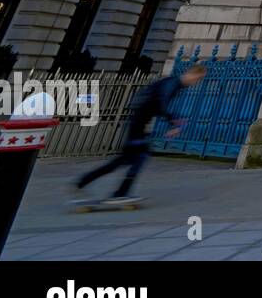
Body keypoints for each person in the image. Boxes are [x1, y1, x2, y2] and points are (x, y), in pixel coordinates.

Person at [75, 64, 206, 203]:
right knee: (130, 158)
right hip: (137, 123)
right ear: (191, 74)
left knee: (131, 159)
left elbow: (156, 103)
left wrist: (172, 120)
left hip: (140, 122)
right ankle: (98, 186)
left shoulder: (173, 83)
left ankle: (91, 184)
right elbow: (161, 103)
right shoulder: (173, 83)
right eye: (197, 79)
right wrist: (173, 121)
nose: (196, 82)